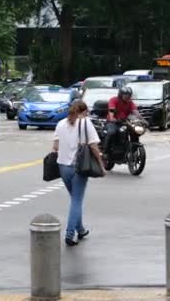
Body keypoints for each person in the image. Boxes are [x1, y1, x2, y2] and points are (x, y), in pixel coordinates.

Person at [53, 100, 105, 246]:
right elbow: (94, 146)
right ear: (82, 112)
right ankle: (70, 234)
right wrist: (101, 165)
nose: (87, 114)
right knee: (76, 200)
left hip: (63, 167)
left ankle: (80, 229)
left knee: (75, 199)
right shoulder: (85, 123)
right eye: (86, 112)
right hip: (79, 167)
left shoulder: (61, 124)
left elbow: (55, 147)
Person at [103, 87, 142, 154]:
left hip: (124, 122)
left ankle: (134, 148)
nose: (128, 97)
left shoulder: (130, 102)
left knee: (135, 131)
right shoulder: (114, 100)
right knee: (112, 132)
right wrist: (112, 118)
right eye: (126, 95)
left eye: (129, 95)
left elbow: (135, 111)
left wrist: (142, 120)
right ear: (121, 95)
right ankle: (106, 152)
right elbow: (111, 110)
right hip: (113, 122)